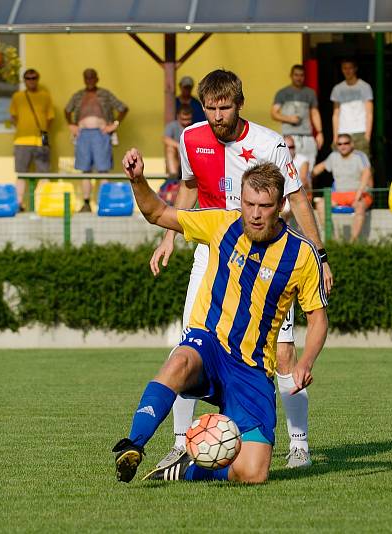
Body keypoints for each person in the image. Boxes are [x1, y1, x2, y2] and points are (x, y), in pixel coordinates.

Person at [148, 69, 334, 471]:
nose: (217, 115)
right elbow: (190, 186)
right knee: (191, 347)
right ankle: (183, 445)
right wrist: (169, 236)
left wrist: (319, 254)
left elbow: (298, 198)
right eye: (210, 108)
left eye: (225, 107)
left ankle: (298, 444)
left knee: (284, 352)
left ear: (239, 103)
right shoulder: (190, 138)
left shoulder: (268, 143)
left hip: (267, 253)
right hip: (213, 248)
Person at [113, 150, 329, 484]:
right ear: (240, 200)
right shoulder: (223, 223)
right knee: (179, 359)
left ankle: (187, 467)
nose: (255, 215)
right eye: (249, 204)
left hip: (253, 368)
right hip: (210, 345)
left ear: (280, 206)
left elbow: (318, 319)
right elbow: (157, 212)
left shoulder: (301, 254)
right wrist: (138, 180)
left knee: (253, 473)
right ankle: (135, 444)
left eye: (265, 206)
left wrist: (306, 362)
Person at [64, 68, 129, 212]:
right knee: (85, 170)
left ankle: (104, 202)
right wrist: (72, 125)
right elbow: (67, 110)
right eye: (87, 78)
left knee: (103, 169)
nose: (89, 80)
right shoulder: (78, 95)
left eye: (92, 77)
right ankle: (86, 202)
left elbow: (123, 108)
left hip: (101, 134)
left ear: (97, 78)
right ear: (84, 79)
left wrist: (114, 125)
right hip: (82, 135)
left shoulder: (105, 94)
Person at [311, 133, 373, 243]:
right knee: (321, 204)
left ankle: (352, 242)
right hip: (338, 195)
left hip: (357, 194)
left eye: (346, 143)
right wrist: (304, 178)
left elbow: (367, 173)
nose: (343, 146)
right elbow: (318, 169)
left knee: (360, 206)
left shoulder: (360, 156)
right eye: (339, 144)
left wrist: (359, 193)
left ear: (352, 144)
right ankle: (333, 240)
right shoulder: (333, 156)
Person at [10, 69, 55, 210]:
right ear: (24, 80)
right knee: (21, 173)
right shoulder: (17, 96)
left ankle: (44, 203)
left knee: (44, 173)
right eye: (28, 78)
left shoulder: (45, 96)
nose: (31, 80)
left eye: (34, 78)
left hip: (41, 141)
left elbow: (50, 118)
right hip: (22, 141)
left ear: (38, 79)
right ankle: (19, 203)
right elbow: (14, 117)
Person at [271, 64, 323, 170]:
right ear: (291, 75)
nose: (299, 78)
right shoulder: (283, 93)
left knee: (309, 169)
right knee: (289, 169)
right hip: (290, 138)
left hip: (307, 137)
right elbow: (274, 113)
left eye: (301, 75)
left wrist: (320, 132)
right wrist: (289, 119)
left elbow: (315, 113)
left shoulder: (310, 93)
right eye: (296, 75)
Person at [330, 59, 373, 155]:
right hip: (342, 132)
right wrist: (335, 136)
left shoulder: (365, 87)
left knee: (362, 166)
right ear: (341, 70)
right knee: (342, 166)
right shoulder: (337, 89)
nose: (347, 71)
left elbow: (369, 113)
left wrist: (367, 136)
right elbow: (336, 114)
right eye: (345, 68)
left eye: (350, 68)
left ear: (355, 69)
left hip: (360, 132)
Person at [163, 104, 193, 179]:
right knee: (170, 149)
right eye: (183, 119)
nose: (186, 122)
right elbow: (165, 139)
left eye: (188, 119)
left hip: (190, 160)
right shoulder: (172, 126)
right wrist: (179, 146)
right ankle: (173, 179)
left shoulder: (194, 127)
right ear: (178, 117)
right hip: (177, 160)